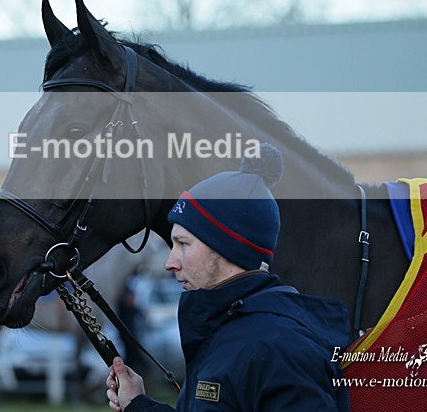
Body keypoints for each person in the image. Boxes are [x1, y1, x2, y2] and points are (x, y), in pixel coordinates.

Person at [106, 143, 352, 411]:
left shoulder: (281, 350)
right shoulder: (225, 329)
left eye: (183, 244)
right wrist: (138, 405)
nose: (169, 262)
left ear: (226, 247)